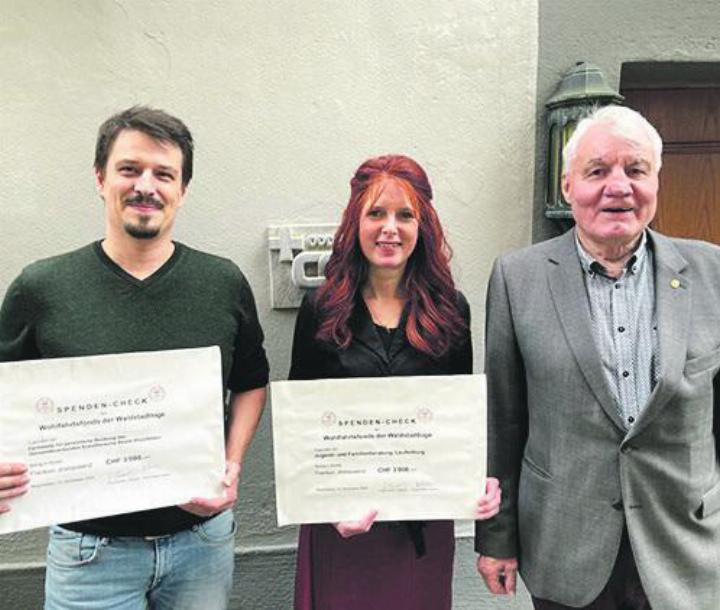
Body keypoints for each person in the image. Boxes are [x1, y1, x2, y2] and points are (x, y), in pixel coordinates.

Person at [0, 106, 269, 610]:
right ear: (101, 179)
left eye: (164, 174)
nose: (147, 185)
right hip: (89, 554)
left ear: (182, 190)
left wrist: (232, 464)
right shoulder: (42, 287)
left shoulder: (222, 282)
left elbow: (252, 381)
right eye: (130, 169)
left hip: (202, 544)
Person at [475, 105, 720, 609]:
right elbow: (503, 420)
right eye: (597, 171)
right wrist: (496, 540)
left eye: (635, 170)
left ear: (656, 180)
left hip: (686, 547)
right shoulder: (517, 279)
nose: (618, 187)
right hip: (565, 546)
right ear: (568, 186)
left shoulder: (712, 272)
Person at [289, 154, 501, 610]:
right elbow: (299, 428)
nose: (390, 228)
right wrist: (328, 509)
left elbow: (455, 423)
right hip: (341, 526)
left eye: (405, 215)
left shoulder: (450, 310)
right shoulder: (321, 308)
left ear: (423, 225)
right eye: (376, 213)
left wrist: (473, 483)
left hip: (419, 528)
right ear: (355, 223)